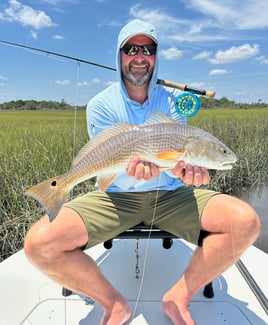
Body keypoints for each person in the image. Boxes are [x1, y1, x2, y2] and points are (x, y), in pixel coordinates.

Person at [24, 19, 261, 325]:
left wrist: (191, 174)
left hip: (172, 196)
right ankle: (114, 303)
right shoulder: (100, 104)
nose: (139, 56)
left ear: (156, 56)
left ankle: (178, 297)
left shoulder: (174, 103)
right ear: (119, 55)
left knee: (245, 221)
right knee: (38, 243)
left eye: (148, 49)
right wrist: (113, 173)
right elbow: (108, 158)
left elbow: (176, 163)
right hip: (115, 197)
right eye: (131, 49)